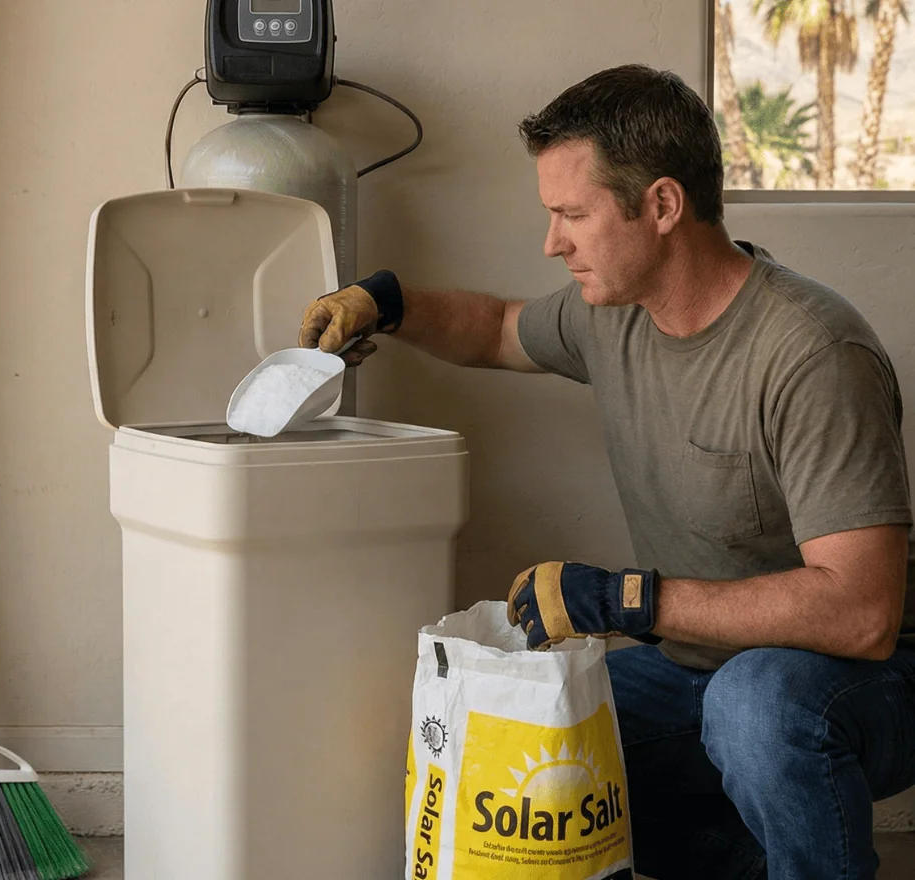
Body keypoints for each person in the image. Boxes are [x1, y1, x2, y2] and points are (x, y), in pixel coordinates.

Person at [300, 64, 915, 880]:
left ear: (661, 206)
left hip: (863, 681)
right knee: (532, 719)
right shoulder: (615, 316)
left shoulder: (811, 354)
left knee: (755, 706)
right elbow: (496, 328)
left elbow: (863, 612)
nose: (552, 242)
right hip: (696, 665)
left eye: (572, 214)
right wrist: (386, 301)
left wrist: (630, 599)